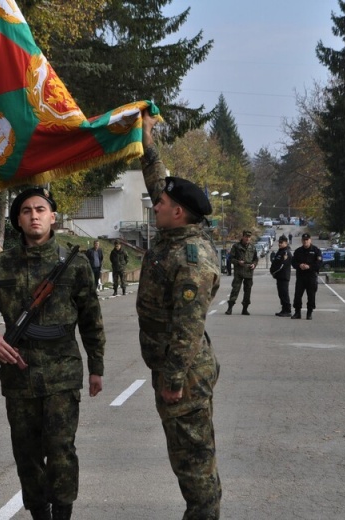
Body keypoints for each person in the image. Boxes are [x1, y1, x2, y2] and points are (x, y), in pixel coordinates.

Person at [0, 186, 104, 520]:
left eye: (41, 209)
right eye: (26, 211)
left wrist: (96, 366)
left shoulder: (74, 264)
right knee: (26, 454)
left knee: (61, 451)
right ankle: (39, 512)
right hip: (19, 374)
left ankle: (63, 513)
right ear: (18, 221)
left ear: (53, 217)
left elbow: (91, 320)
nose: (34, 215)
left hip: (62, 375)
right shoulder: (0, 266)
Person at [139, 110, 221, 519]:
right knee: (185, 459)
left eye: (162, 203)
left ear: (179, 213)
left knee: (194, 464)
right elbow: (158, 181)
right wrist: (147, 138)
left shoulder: (191, 258)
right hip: (174, 369)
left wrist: (172, 379)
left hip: (184, 375)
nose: (155, 205)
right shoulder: (175, 232)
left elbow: (189, 327)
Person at [225, 230, 258, 315]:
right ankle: (230, 308)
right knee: (235, 289)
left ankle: (245, 309)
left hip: (248, 271)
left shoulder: (253, 247)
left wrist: (254, 264)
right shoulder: (236, 246)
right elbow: (230, 259)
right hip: (239, 271)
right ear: (243, 237)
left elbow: (255, 259)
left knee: (248, 291)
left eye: (249, 237)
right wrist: (238, 262)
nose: (247, 238)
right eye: (246, 236)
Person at [291, 232, 322, 320]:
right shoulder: (298, 251)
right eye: (304, 240)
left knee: (311, 295)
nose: (305, 242)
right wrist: (299, 265)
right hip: (301, 276)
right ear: (302, 241)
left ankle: (309, 313)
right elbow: (293, 262)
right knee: (297, 295)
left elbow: (319, 263)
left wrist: (309, 266)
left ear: (310, 240)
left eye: (307, 240)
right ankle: (297, 312)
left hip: (311, 276)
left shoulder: (316, 250)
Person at [269, 235, 293, 317]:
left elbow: (282, 265)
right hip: (279, 277)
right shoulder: (280, 251)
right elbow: (275, 262)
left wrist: (274, 272)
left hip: (283, 276)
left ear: (286, 243)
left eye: (281, 242)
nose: (279, 244)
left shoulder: (286, 252)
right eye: (279, 242)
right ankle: (284, 309)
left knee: (284, 293)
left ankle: (287, 310)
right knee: (281, 294)